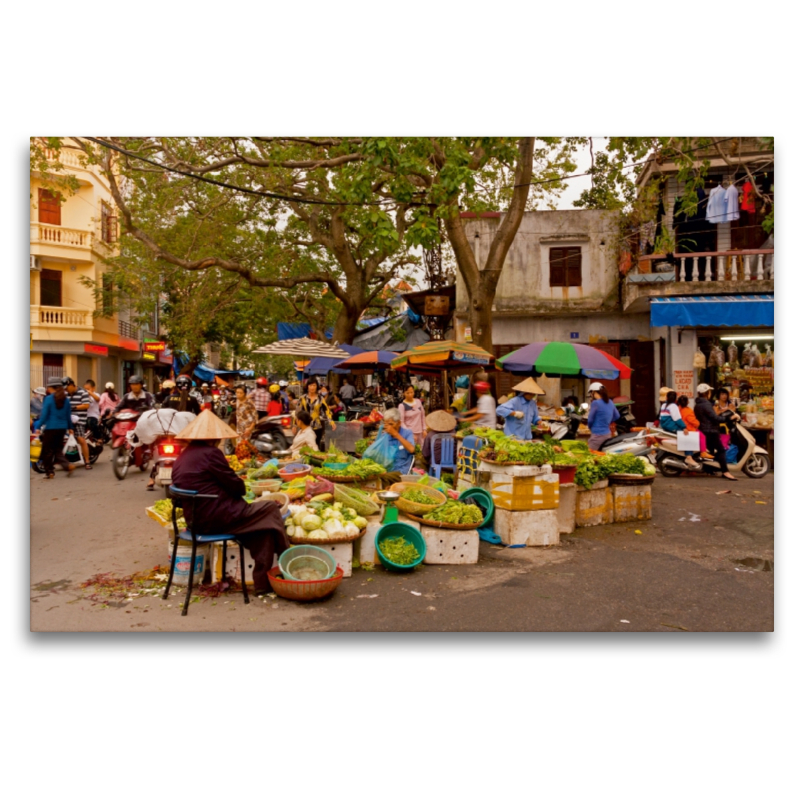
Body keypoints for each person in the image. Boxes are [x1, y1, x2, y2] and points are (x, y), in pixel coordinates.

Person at [171, 410, 290, 596]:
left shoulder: (183, 456)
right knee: (270, 508)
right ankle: (287, 558)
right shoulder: (211, 454)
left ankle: (263, 585)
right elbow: (237, 487)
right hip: (217, 518)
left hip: (195, 520)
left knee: (264, 530)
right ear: (214, 438)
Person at [694, 383, 741, 481]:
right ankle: (725, 472)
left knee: (710, 450)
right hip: (711, 430)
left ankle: (709, 469)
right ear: (707, 393)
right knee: (721, 450)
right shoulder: (706, 404)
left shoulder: (698, 404)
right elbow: (715, 418)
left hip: (704, 430)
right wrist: (729, 418)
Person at [37, 378, 76, 479]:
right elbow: (68, 415)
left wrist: (38, 426)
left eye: (48, 387)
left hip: (50, 428)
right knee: (58, 449)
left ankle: (49, 472)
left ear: (51, 388)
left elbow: (44, 415)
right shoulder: (66, 399)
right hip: (62, 429)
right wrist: (70, 427)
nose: (47, 389)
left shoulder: (49, 399)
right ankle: (68, 465)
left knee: (47, 451)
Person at [298, 378, 336, 448]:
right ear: (307, 386)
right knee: (305, 447)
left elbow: (327, 411)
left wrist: (331, 422)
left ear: (317, 387)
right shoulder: (302, 398)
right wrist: (295, 425)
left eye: (314, 385)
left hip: (317, 427)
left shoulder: (320, 399)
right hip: (305, 427)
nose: (312, 387)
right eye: (310, 385)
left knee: (315, 447)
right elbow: (298, 412)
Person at [377, 407, 415, 474]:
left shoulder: (407, 433)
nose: (389, 427)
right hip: (386, 470)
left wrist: (396, 434)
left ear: (399, 423)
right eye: (386, 424)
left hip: (401, 471)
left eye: (391, 424)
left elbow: (412, 449)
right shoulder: (384, 436)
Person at [586, 382, 622, 453]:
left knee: (588, 454)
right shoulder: (610, 402)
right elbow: (617, 416)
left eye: (591, 393)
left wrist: (590, 427)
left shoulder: (595, 403)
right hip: (607, 435)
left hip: (597, 435)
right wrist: (607, 421)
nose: (591, 395)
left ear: (594, 392)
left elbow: (590, 420)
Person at [64, 377, 92, 469]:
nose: (66, 390)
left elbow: (86, 405)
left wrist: (74, 408)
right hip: (67, 419)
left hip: (80, 420)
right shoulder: (65, 394)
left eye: (67, 388)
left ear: (72, 385)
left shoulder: (83, 392)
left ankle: (87, 461)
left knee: (80, 439)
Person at [677, 395, 711, 460]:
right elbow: (693, 421)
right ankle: (703, 452)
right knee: (702, 436)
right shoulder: (688, 410)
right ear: (687, 402)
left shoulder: (678, 409)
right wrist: (698, 423)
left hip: (682, 429)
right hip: (690, 429)